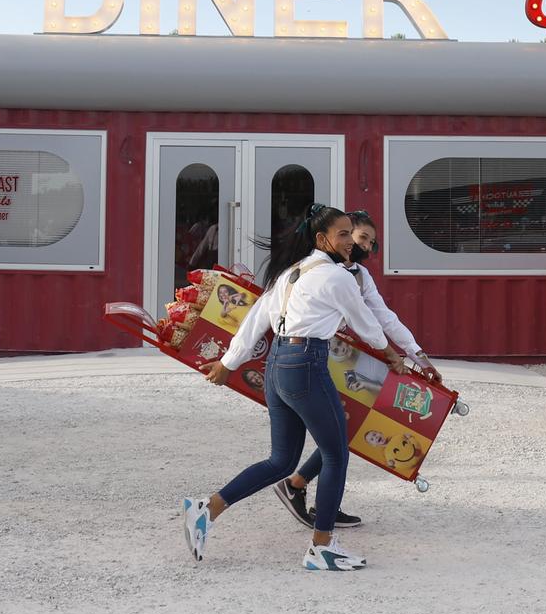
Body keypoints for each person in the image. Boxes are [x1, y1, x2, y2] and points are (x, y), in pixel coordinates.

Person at [179, 204, 411, 572]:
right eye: (343, 234)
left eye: (352, 233)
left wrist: (229, 363)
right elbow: (368, 325)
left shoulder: (291, 272)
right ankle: (321, 547)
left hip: (278, 365)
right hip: (306, 363)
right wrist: (395, 356)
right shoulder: (338, 278)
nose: (351, 241)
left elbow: (257, 319)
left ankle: (208, 507)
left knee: (282, 460)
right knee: (336, 453)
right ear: (322, 239)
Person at [272, 210, 441, 531]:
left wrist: (418, 354)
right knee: (338, 433)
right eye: (358, 237)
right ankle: (309, 503)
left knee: (345, 429)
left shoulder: (360, 276)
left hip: (345, 360)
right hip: (320, 356)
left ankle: (307, 491)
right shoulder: (317, 269)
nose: (360, 245)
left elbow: (384, 318)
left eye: (369, 243)